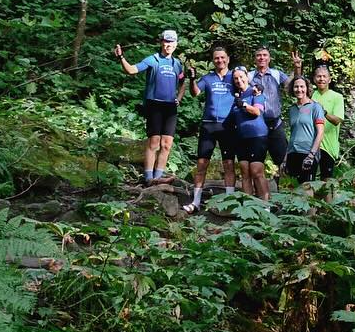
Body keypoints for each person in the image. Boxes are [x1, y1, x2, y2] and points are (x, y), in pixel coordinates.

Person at [114, 30, 185, 184]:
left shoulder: (177, 64)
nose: (169, 45)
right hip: (154, 104)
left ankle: (158, 179)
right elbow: (131, 70)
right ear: (161, 42)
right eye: (166, 42)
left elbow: (182, 82)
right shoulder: (153, 60)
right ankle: (148, 178)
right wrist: (121, 57)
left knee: (166, 144)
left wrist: (178, 98)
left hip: (170, 107)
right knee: (154, 142)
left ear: (176, 44)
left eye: (172, 42)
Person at [185, 45, 237, 212]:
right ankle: (196, 202)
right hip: (208, 124)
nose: (220, 60)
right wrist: (192, 79)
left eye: (222, 57)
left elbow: (247, 88)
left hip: (228, 125)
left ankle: (230, 201)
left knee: (229, 164)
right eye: (216, 58)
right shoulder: (208, 78)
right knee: (202, 163)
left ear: (228, 59)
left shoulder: (234, 76)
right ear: (213, 60)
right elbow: (195, 93)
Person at [249, 46, 302, 182]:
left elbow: (293, 86)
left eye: (265, 55)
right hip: (256, 125)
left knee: (284, 163)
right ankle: (257, 199)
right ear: (255, 58)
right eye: (259, 55)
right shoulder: (249, 76)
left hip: (275, 125)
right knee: (255, 163)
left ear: (269, 58)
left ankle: (284, 196)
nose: (262, 58)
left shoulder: (276, 74)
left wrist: (297, 68)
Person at [230, 66, 270, 200]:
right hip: (241, 138)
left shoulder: (255, 92)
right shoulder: (235, 95)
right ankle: (248, 207)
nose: (239, 80)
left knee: (256, 170)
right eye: (236, 78)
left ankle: (265, 207)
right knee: (244, 170)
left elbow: (257, 112)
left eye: (241, 77)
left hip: (257, 136)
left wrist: (244, 105)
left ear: (247, 77)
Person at [283, 75, 326, 188]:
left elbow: (320, 132)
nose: (299, 89)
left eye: (302, 86)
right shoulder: (292, 109)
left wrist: (311, 155)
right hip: (293, 153)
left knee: (307, 190)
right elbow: (292, 134)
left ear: (307, 88)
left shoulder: (315, 107)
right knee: (292, 190)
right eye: (296, 87)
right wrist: (285, 158)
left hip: (307, 153)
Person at [310, 63, 345, 181]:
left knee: (327, 182)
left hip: (328, 146)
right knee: (308, 181)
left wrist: (323, 112)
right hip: (311, 144)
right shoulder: (311, 95)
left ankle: (330, 200)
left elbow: (337, 120)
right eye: (319, 76)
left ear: (329, 79)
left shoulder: (337, 97)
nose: (321, 79)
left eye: (324, 76)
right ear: (314, 79)